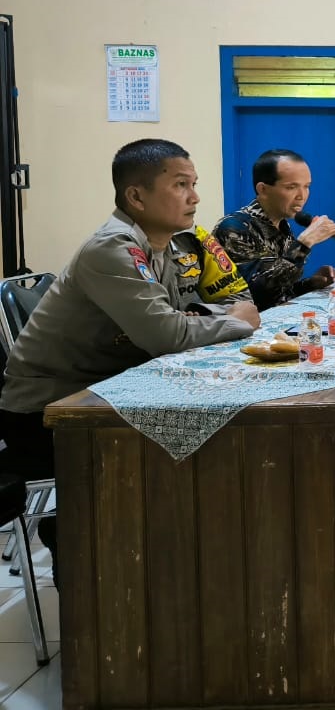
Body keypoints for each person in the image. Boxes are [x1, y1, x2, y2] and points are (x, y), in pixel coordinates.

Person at [0, 139, 261, 582]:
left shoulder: (163, 247)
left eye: (194, 184)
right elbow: (166, 335)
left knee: (213, 439)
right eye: (181, 185)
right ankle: (82, 541)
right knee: (205, 448)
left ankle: (189, 571)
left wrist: (221, 316)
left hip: (100, 394)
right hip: (48, 414)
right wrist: (239, 322)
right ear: (135, 196)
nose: (195, 197)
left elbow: (180, 316)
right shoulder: (113, 249)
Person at [214, 149, 335, 310]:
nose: (302, 195)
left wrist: (311, 283)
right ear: (262, 189)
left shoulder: (282, 225)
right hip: (246, 327)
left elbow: (279, 293)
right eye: (291, 187)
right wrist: (303, 244)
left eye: (307, 186)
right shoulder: (233, 228)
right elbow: (257, 294)